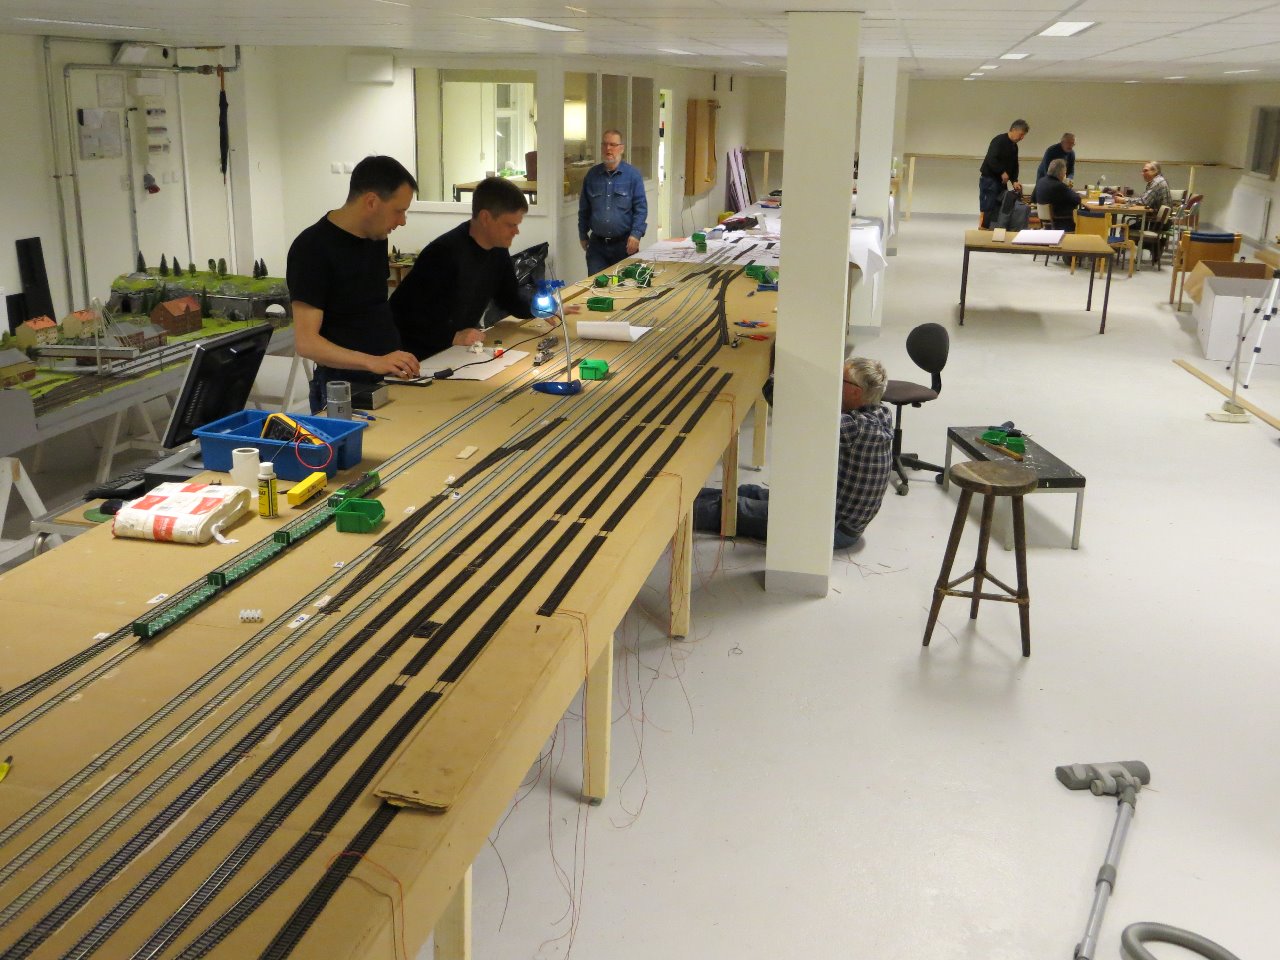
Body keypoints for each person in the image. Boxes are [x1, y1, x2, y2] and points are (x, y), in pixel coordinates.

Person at [692, 357, 894, 549]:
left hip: (832, 527)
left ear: (856, 392)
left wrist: (766, 375)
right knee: (748, 492)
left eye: (841, 380)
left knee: (731, 509)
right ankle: (688, 497)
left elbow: (794, 413)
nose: (834, 383)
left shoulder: (858, 428)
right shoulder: (880, 412)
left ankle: (675, 512)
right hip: (825, 508)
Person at [286, 155, 422, 413]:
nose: (402, 221)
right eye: (398, 211)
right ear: (371, 202)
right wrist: (373, 361)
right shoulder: (312, 249)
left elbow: (372, 309)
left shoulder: (375, 237)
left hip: (387, 377)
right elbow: (307, 342)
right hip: (344, 387)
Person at [390, 177, 541, 360]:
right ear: (485, 218)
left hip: (458, 352)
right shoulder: (443, 254)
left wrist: (540, 309)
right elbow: (404, 315)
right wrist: (452, 336)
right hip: (420, 356)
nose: (516, 231)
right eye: (511, 225)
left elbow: (509, 299)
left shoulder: (498, 250)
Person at [578, 129, 648, 274]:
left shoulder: (633, 176)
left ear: (621, 148)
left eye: (613, 145)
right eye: (605, 144)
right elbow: (584, 209)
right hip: (597, 247)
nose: (608, 149)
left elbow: (640, 209)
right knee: (596, 283)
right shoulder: (592, 175)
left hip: (624, 245)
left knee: (625, 284)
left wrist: (636, 234)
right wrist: (582, 234)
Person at [979, 119, 1029, 227]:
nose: (1022, 138)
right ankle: (985, 230)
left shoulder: (1014, 146)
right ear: (1014, 129)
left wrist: (1014, 180)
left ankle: (995, 229)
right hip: (990, 181)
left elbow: (1014, 165)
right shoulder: (999, 140)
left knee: (999, 208)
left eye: (1023, 136)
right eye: (1021, 134)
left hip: (1001, 183)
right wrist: (1001, 172)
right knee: (989, 208)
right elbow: (991, 159)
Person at [1033, 158, 1083, 231]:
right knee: (1084, 214)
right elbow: (1077, 199)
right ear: (1061, 172)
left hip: (1046, 224)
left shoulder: (1041, 181)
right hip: (1062, 222)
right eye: (1065, 172)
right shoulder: (1058, 186)